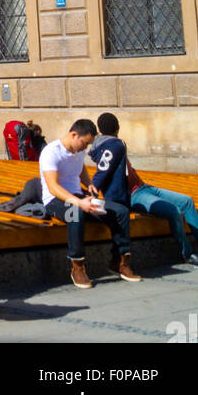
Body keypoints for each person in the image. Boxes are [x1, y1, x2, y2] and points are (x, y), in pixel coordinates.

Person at [94, 113, 198, 266]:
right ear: (118, 128)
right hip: (134, 196)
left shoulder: (114, 144)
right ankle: (186, 254)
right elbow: (103, 173)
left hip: (145, 187)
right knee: (173, 210)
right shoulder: (109, 147)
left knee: (186, 201)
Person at [40, 118, 138, 289]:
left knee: (120, 211)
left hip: (78, 196)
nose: (85, 148)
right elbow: (53, 188)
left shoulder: (78, 150)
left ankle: (120, 261)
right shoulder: (51, 152)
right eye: (85, 143)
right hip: (56, 200)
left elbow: (81, 168)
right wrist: (79, 203)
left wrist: (89, 183)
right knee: (75, 213)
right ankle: (77, 266)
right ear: (74, 135)